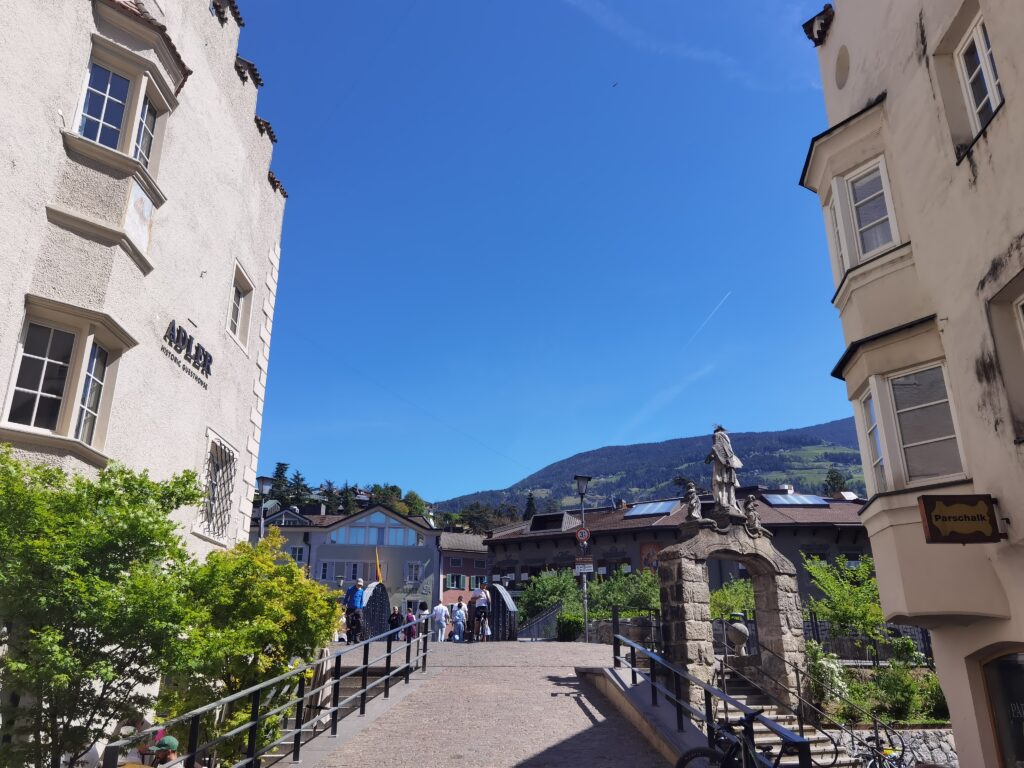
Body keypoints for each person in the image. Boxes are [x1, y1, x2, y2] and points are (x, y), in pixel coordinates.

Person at [343, 578, 365, 645]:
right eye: (358, 585)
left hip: (358, 609)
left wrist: (361, 608)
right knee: (349, 623)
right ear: (356, 583)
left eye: (360, 585)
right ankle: (349, 639)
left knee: (360, 623)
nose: (359, 586)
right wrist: (344, 605)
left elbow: (361, 600)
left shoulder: (362, 591)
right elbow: (346, 598)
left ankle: (356, 638)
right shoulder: (350, 589)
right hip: (350, 608)